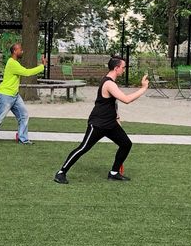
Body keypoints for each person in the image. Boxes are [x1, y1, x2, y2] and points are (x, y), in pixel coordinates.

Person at [53, 56, 149, 184]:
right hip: (98, 123)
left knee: (126, 144)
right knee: (83, 148)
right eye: (123, 67)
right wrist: (143, 88)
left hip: (110, 123)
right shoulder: (109, 83)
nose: (124, 70)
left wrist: (117, 117)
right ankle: (61, 173)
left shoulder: (111, 82)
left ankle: (114, 173)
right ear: (116, 68)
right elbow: (126, 99)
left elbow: (112, 102)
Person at [0, 43, 47, 145]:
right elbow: (27, 72)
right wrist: (42, 66)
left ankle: (22, 138)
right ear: (15, 51)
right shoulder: (12, 63)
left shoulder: (15, 62)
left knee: (24, 115)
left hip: (14, 95)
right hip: (5, 95)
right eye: (20, 49)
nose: (22, 51)